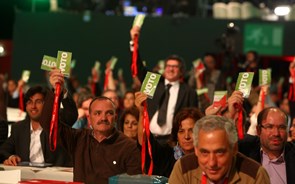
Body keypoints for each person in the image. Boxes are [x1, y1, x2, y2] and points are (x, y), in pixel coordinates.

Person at [40, 69, 141, 183]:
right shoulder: (78, 139)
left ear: (116, 118)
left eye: (109, 113)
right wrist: (57, 92)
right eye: (97, 113)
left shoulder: (129, 147)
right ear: (89, 118)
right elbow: (48, 123)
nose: (103, 118)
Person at [130, 26, 198, 143]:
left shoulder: (189, 92)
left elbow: (194, 118)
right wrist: (133, 43)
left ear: (181, 71)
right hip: (150, 139)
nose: (171, 69)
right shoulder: (153, 82)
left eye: (175, 67)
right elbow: (138, 68)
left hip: (173, 142)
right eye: (168, 66)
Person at [169, 115, 270, 184]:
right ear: (196, 150)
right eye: (204, 152)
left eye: (219, 152)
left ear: (234, 149)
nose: (212, 163)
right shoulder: (183, 167)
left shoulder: (255, 175)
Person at [0, 84, 77, 166]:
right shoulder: (18, 128)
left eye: (38, 102)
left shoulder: (58, 123)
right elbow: (3, 150)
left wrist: (63, 91)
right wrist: (10, 157)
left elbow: (71, 114)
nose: (33, 106)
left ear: (47, 104)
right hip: (26, 175)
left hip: (55, 176)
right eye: (29, 102)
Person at [135, 91, 204, 177]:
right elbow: (144, 142)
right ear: (176, 135)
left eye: (191, 131)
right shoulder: (166, 155)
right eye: (181, 131)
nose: (186, 136)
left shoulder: (206, 159)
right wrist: (142, 113)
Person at [239, 107, 295, 184]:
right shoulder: (246, 146)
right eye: (270, 127)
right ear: (258, 130)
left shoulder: (292, 153)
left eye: (282, 127)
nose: (276, 133)